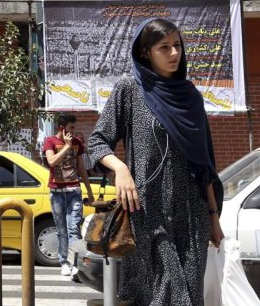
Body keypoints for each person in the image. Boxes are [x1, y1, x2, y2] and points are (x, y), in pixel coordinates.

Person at [87, 18, 225, 306]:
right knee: (159, 295)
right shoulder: (129, 90)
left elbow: (204, 165)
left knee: (189, 296)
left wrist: (213, 218)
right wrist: (121, 169)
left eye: (177, 45)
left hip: (191, 216)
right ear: (145, 52)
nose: (174, 53)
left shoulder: (191, 97)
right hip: (147, 213)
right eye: (164, 47)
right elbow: (97, 142)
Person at [42, 113, 94, 279]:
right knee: (62, 230)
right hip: (57, 193)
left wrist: (89, 191)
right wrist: (66, 146)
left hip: (74, 191)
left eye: (74, 127)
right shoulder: (50, 141)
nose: (74, 130)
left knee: (74, 228)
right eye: (71, 127)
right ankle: (64, 262)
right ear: (62, 128)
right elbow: (51, 161)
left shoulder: (77, 143)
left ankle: (75, 264)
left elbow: (81, 168)